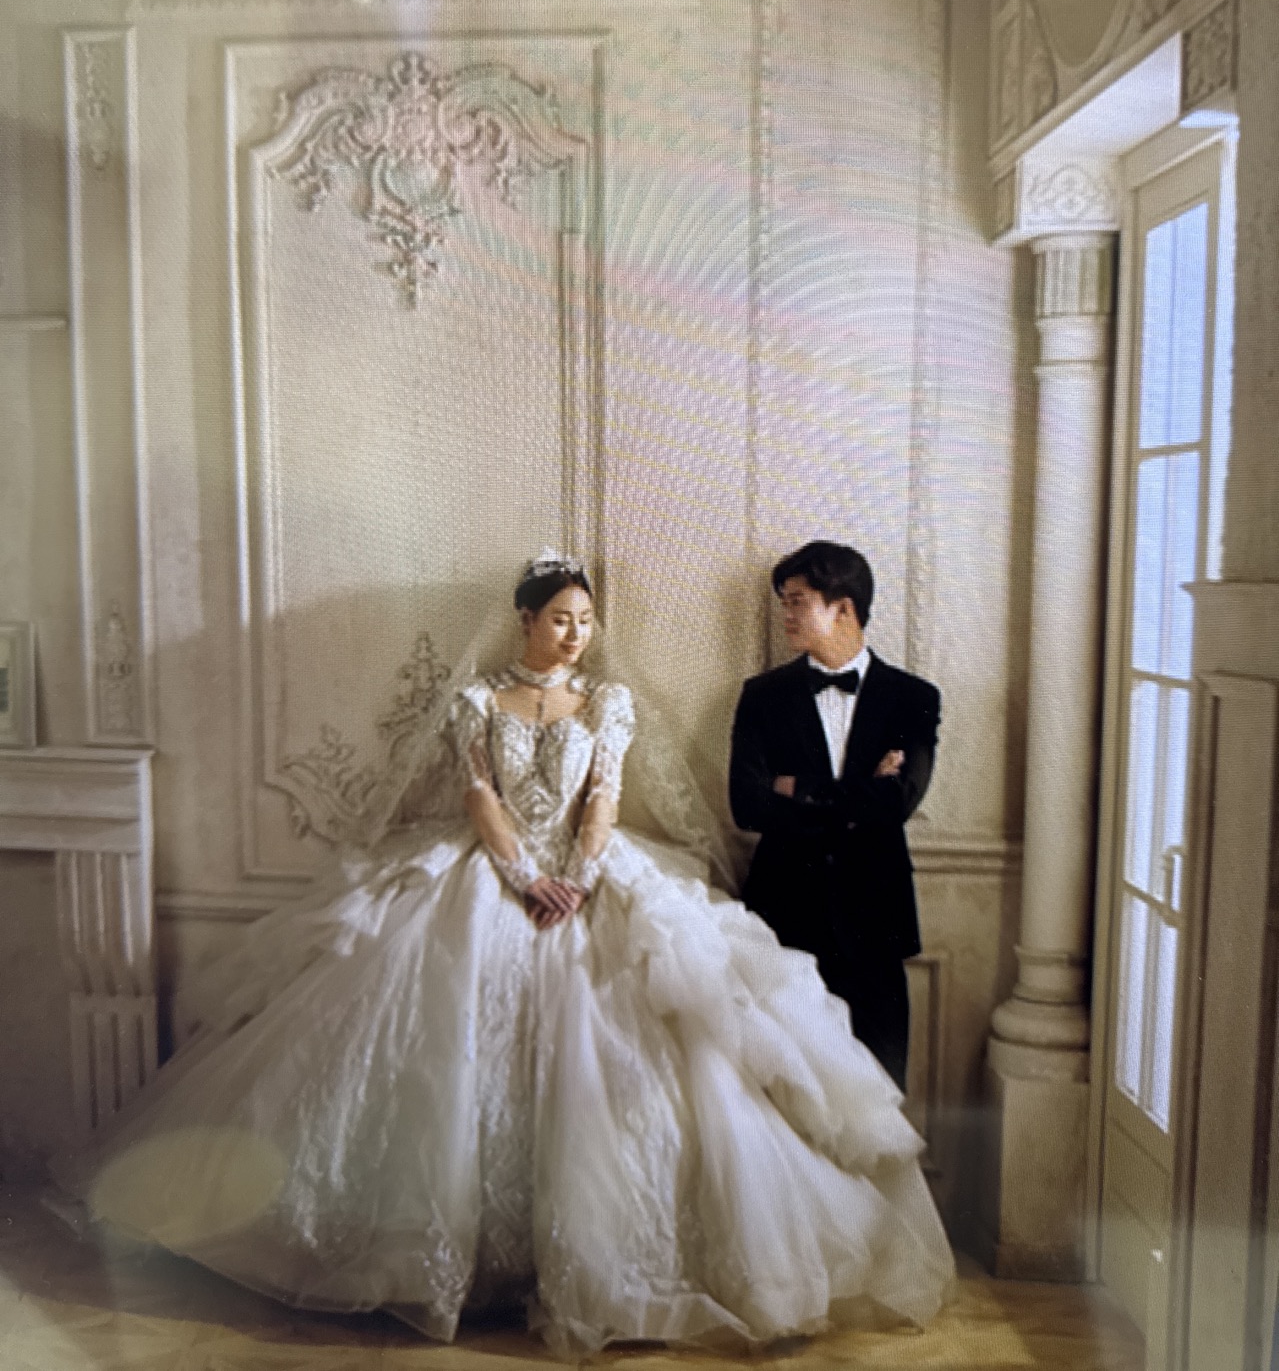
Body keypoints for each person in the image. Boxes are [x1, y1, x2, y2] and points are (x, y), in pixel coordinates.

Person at [68, 552, 953, 1355]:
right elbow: (478, 795)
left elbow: (602, 795)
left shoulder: (607, 702)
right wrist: (523, 874)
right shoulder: (476, 702)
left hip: (590, 874)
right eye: (560, 618)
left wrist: (578, 874)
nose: (575, 634)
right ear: (525, 618)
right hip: (486, 875)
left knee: (655, 1053)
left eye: (586, 621)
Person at [729, 540, 941, 1091]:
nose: (785, 615)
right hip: (784, 914)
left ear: (843, 608)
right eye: (784, 602)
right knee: (783, 1095)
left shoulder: (912, 698)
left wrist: (797, 790)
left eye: (797, 602)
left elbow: (899, 802)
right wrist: (861, 791)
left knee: (879, 1089)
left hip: (875, 920)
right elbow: (747, 804)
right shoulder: (763, 696)